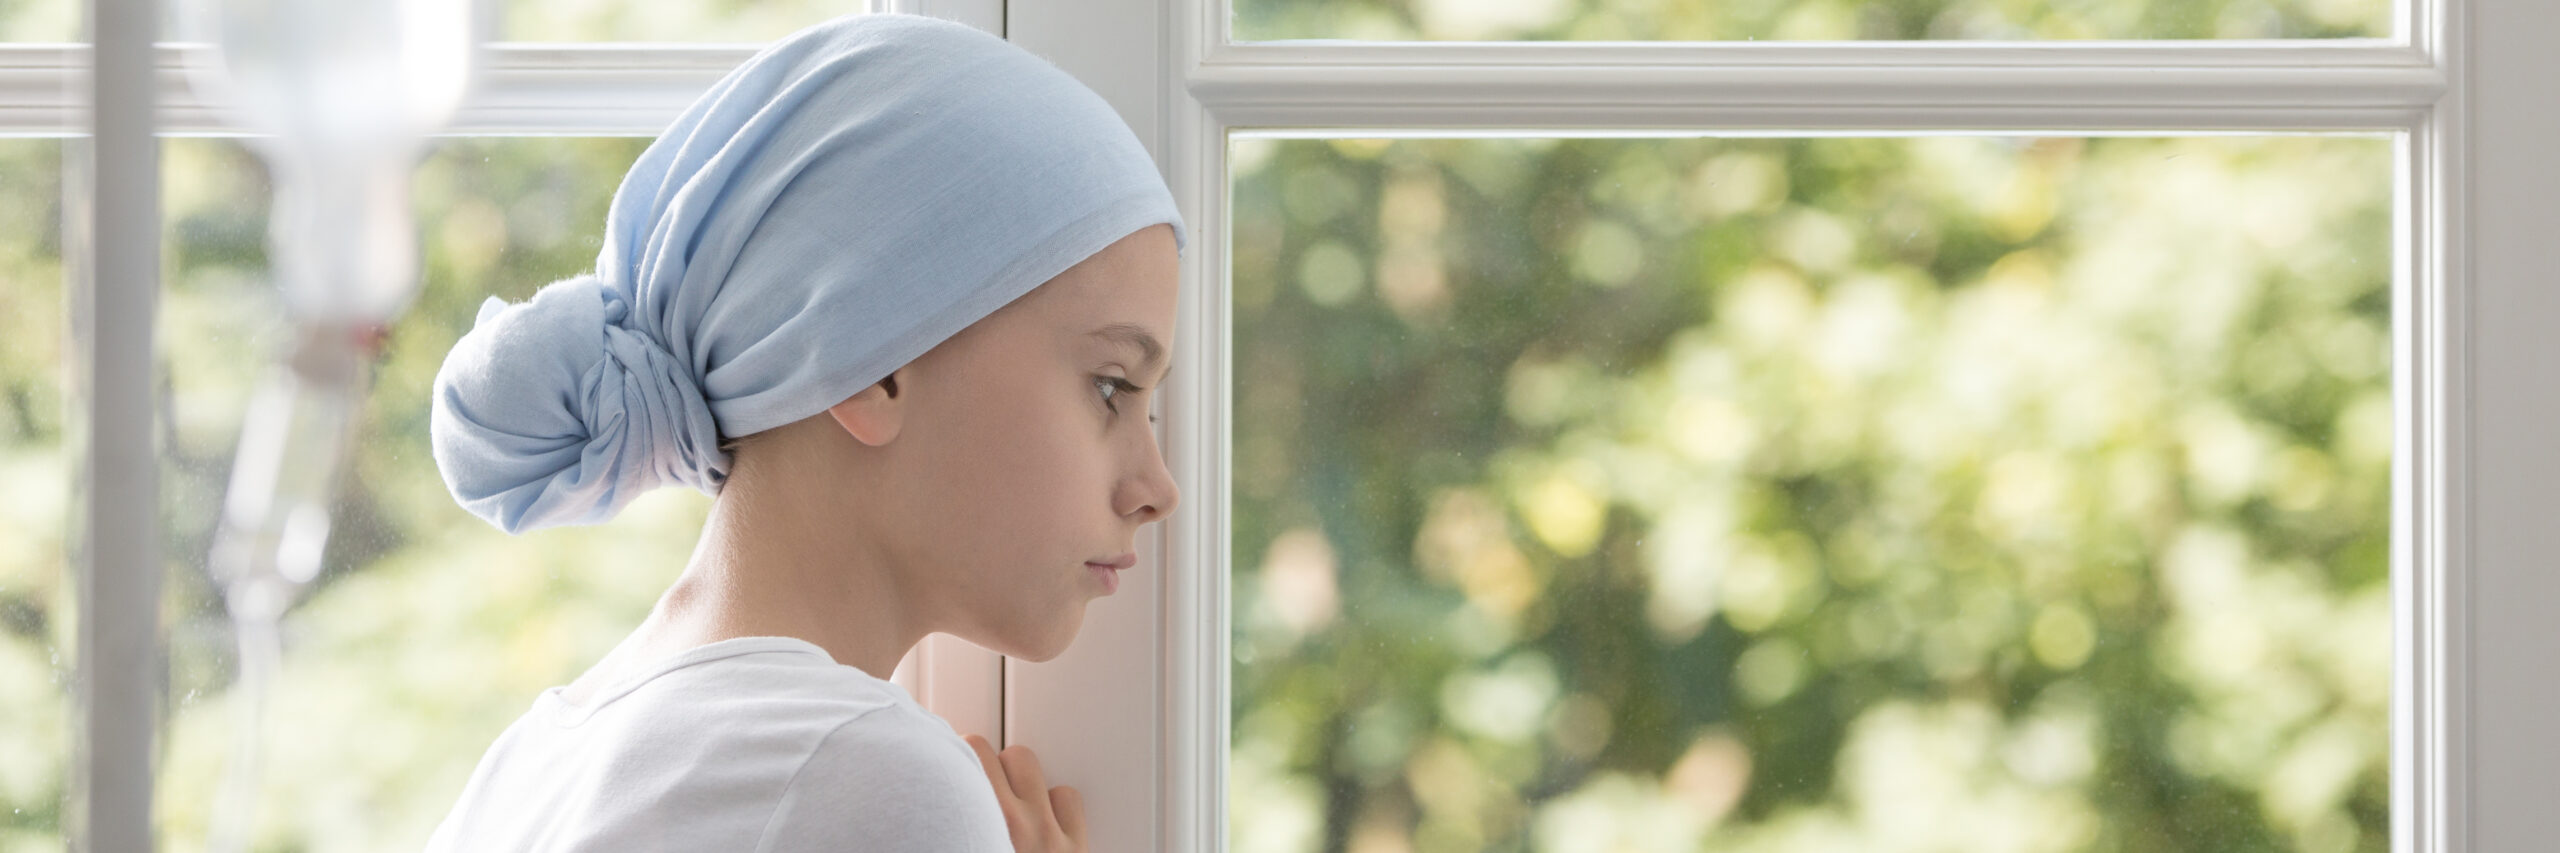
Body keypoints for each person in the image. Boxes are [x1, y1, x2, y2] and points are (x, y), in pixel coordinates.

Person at [419, 12, 1182, 852]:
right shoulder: (869, 775)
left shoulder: (536, 755)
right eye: (1111, 386)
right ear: (871, 363)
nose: (1157, 488)